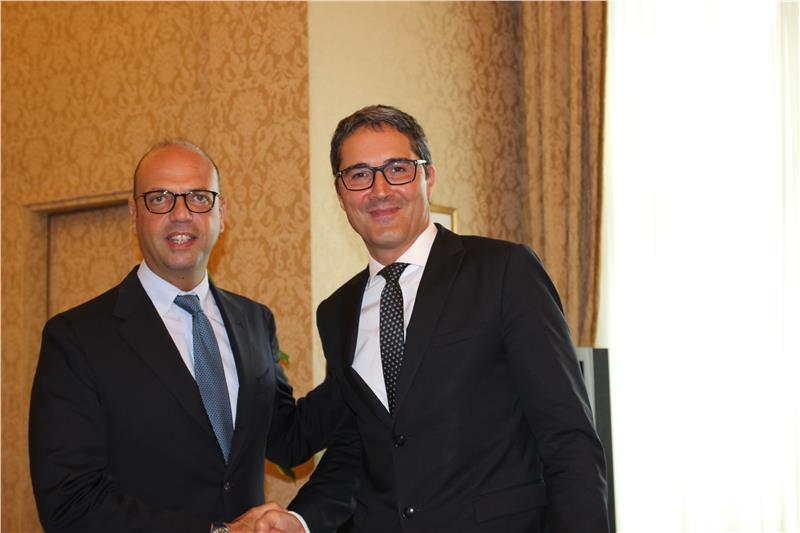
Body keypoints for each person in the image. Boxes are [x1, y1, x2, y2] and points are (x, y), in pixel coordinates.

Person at [260, 105, 610, 533]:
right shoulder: (337, 312)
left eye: (397, 169)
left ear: (428, 177)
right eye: (359, 174)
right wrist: (300, 519)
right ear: (341, 193)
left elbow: (567, 437)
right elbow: (359, 445)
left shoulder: (503, 271)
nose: (379, 189)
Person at [29, 140, 353, 533]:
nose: (180, 214)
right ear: (134, 215)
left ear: (221, 214)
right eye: (160, 198)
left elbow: (288, 439)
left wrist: (363, 359)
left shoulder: (254, 320)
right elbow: (70, 502)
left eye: (199, 197)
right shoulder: (76, 338)